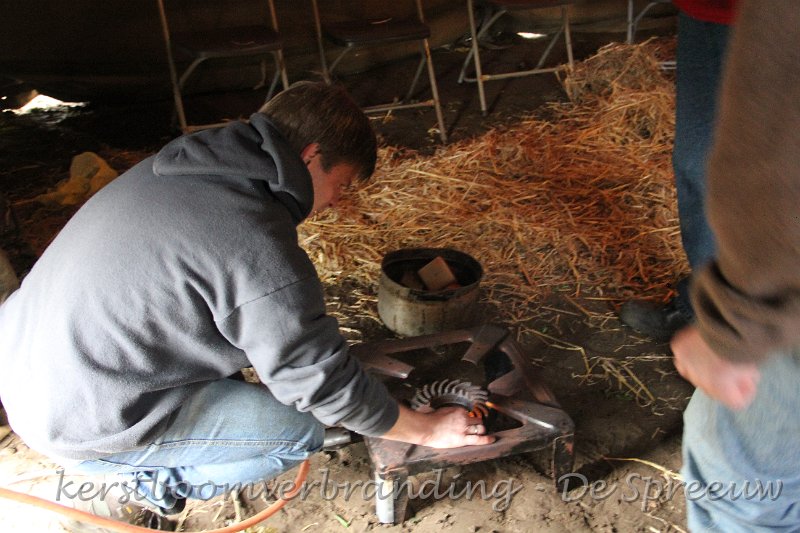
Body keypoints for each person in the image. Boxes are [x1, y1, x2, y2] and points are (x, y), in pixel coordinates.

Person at [0, 82, 494, 529]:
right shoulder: (252, 237)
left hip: (24, 363)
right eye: (341, 185)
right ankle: (155, 483)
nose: (337, 202)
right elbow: (321, 385)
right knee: (298, 431)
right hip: (80, 419)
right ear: (311, 155)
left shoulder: (185, 164)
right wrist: (427, 428)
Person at [670, 1, 800, 530]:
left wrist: (734, 328)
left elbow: (776, 138)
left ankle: (711, 306)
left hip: (779, 304)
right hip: (712, 11)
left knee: (742, 488)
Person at [620, 0, 737, 341]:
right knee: (697, 164)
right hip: (706, 12)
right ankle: (708, 315)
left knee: (771, 173)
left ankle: (755, 330)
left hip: (774, 19)